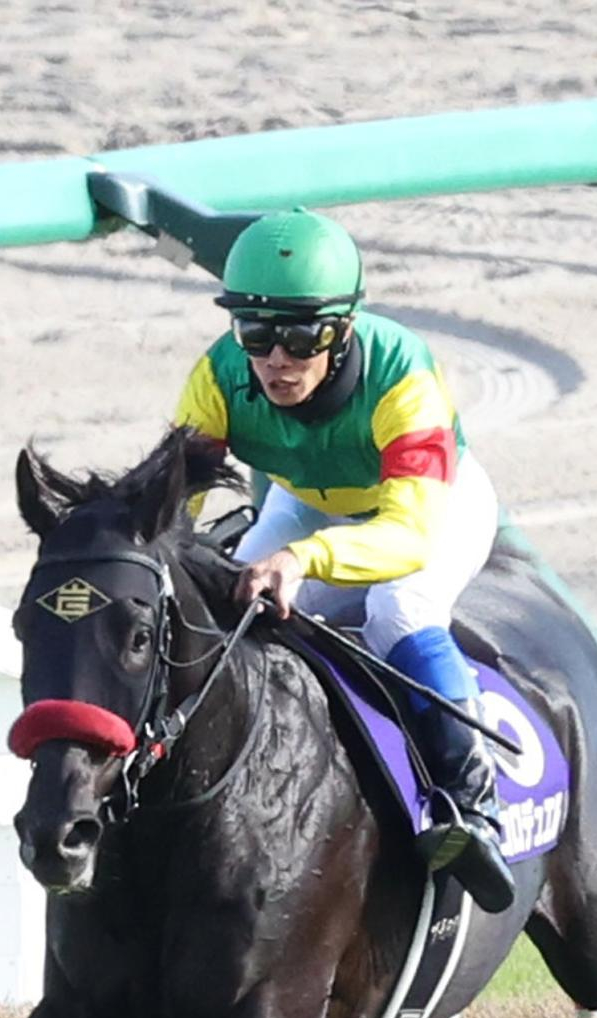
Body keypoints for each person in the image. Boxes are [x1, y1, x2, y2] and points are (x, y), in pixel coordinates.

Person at [172, 207, 516, 915]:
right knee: (230, 611)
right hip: (306, 503)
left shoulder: (403, 376)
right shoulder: (218, 373)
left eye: (302, 336)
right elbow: (174, 503)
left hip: (429, 504)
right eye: (257, 333)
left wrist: (305, 557)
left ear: (344, 328)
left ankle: (475, 803)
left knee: (398, 608)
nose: (275, 359)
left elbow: (409, 535)